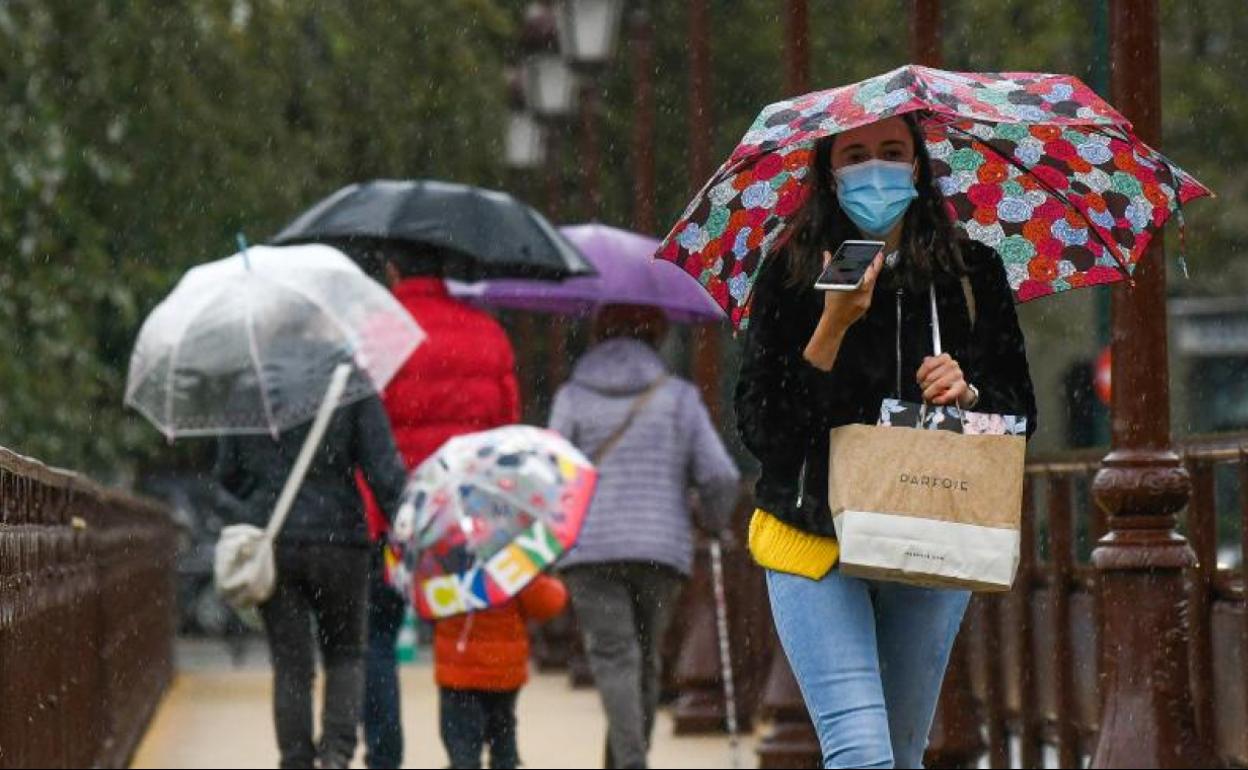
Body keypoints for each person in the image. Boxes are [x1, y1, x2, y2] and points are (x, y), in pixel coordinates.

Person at [735, 113, 1037, 769]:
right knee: (863, 756)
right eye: (856, 155)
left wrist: (969, 394)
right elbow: (764, 430)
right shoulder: (790, 275)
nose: (877, 169)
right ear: (828, 173)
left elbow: (1020, 413)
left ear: (920, 167)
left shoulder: (970, 272)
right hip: (810, 535)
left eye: (894, 151)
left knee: (901, 754)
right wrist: (831, 328)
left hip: (928, 531)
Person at [549, 304, 741, 770]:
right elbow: (720, 475)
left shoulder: (573, 396)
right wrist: (712, 521)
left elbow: (551, 473)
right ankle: (631, 760)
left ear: (597, 333)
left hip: (590, 551)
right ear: (657, 335)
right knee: (646, 658)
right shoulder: (678, 398)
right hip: (661, 550)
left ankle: (628, 762)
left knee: (615, 658)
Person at [356, 247, 521, 769]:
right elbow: (506, 428)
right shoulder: (487, 334)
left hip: (390, 513)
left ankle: (384, 754)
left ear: (394, 269)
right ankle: (472, 749)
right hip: (466, 519)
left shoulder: (376, 337)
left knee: (377, 637)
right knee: (467, 637)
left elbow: (358, 427)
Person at [215, 385, 407, 770]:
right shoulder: (349, 382)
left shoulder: (248, 386)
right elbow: (383, 470)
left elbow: (228, 472)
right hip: (342, 539)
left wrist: (262, 497)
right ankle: (336, 756)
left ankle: (296, 759)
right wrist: (403, 524)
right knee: (346, 653)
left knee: (290, 664)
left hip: (276, 539)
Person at [434, 573, 568, 769]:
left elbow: (428, 602)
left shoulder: (446, 555)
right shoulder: (511, 561)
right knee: (503, 743)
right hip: (503, 673)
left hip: (458, 672)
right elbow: (547, 603)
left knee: (463, 751)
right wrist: (554, 585)